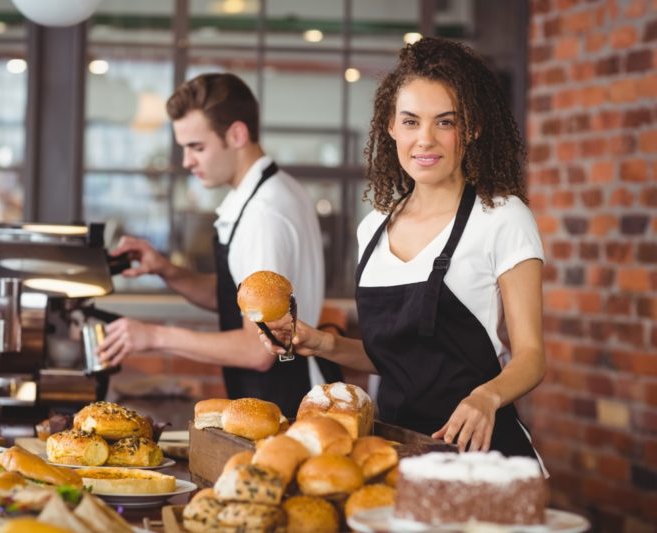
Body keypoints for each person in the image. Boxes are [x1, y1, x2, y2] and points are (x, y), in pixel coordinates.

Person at [261, 37, 546, 459]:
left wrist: (487, 397)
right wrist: (320, 343)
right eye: (411, 121)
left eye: (445, 122)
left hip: (480, 455)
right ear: (391, 126)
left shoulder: (502, 217)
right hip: (395, 449)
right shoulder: (373, 228)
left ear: (472, 129)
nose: (425, 139)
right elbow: (397, 359)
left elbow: (532, 356)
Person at [98, 72, 340, 417]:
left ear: (237, 135)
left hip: (287, 405)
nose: (187, 161)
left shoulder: (263, 213)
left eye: (197, 147)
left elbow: (258, 349)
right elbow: (238, 298)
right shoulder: (269, 191)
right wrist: (168, 271)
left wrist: (154, 336)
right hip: (273, 399)